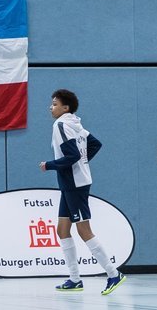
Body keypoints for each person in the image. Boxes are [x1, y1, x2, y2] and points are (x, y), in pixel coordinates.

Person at [40, 88, 126, 295]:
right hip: (71, 182)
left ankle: (114, 274)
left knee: (83, 230)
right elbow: (94, 144)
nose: (50, 107)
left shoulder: (60, 124)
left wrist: (49, 165)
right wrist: (83, 164)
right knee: (62, 230)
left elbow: (72, 155)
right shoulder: (75, 124)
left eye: (54, 104)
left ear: (65, 107)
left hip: (74, 184)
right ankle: (75, 279)